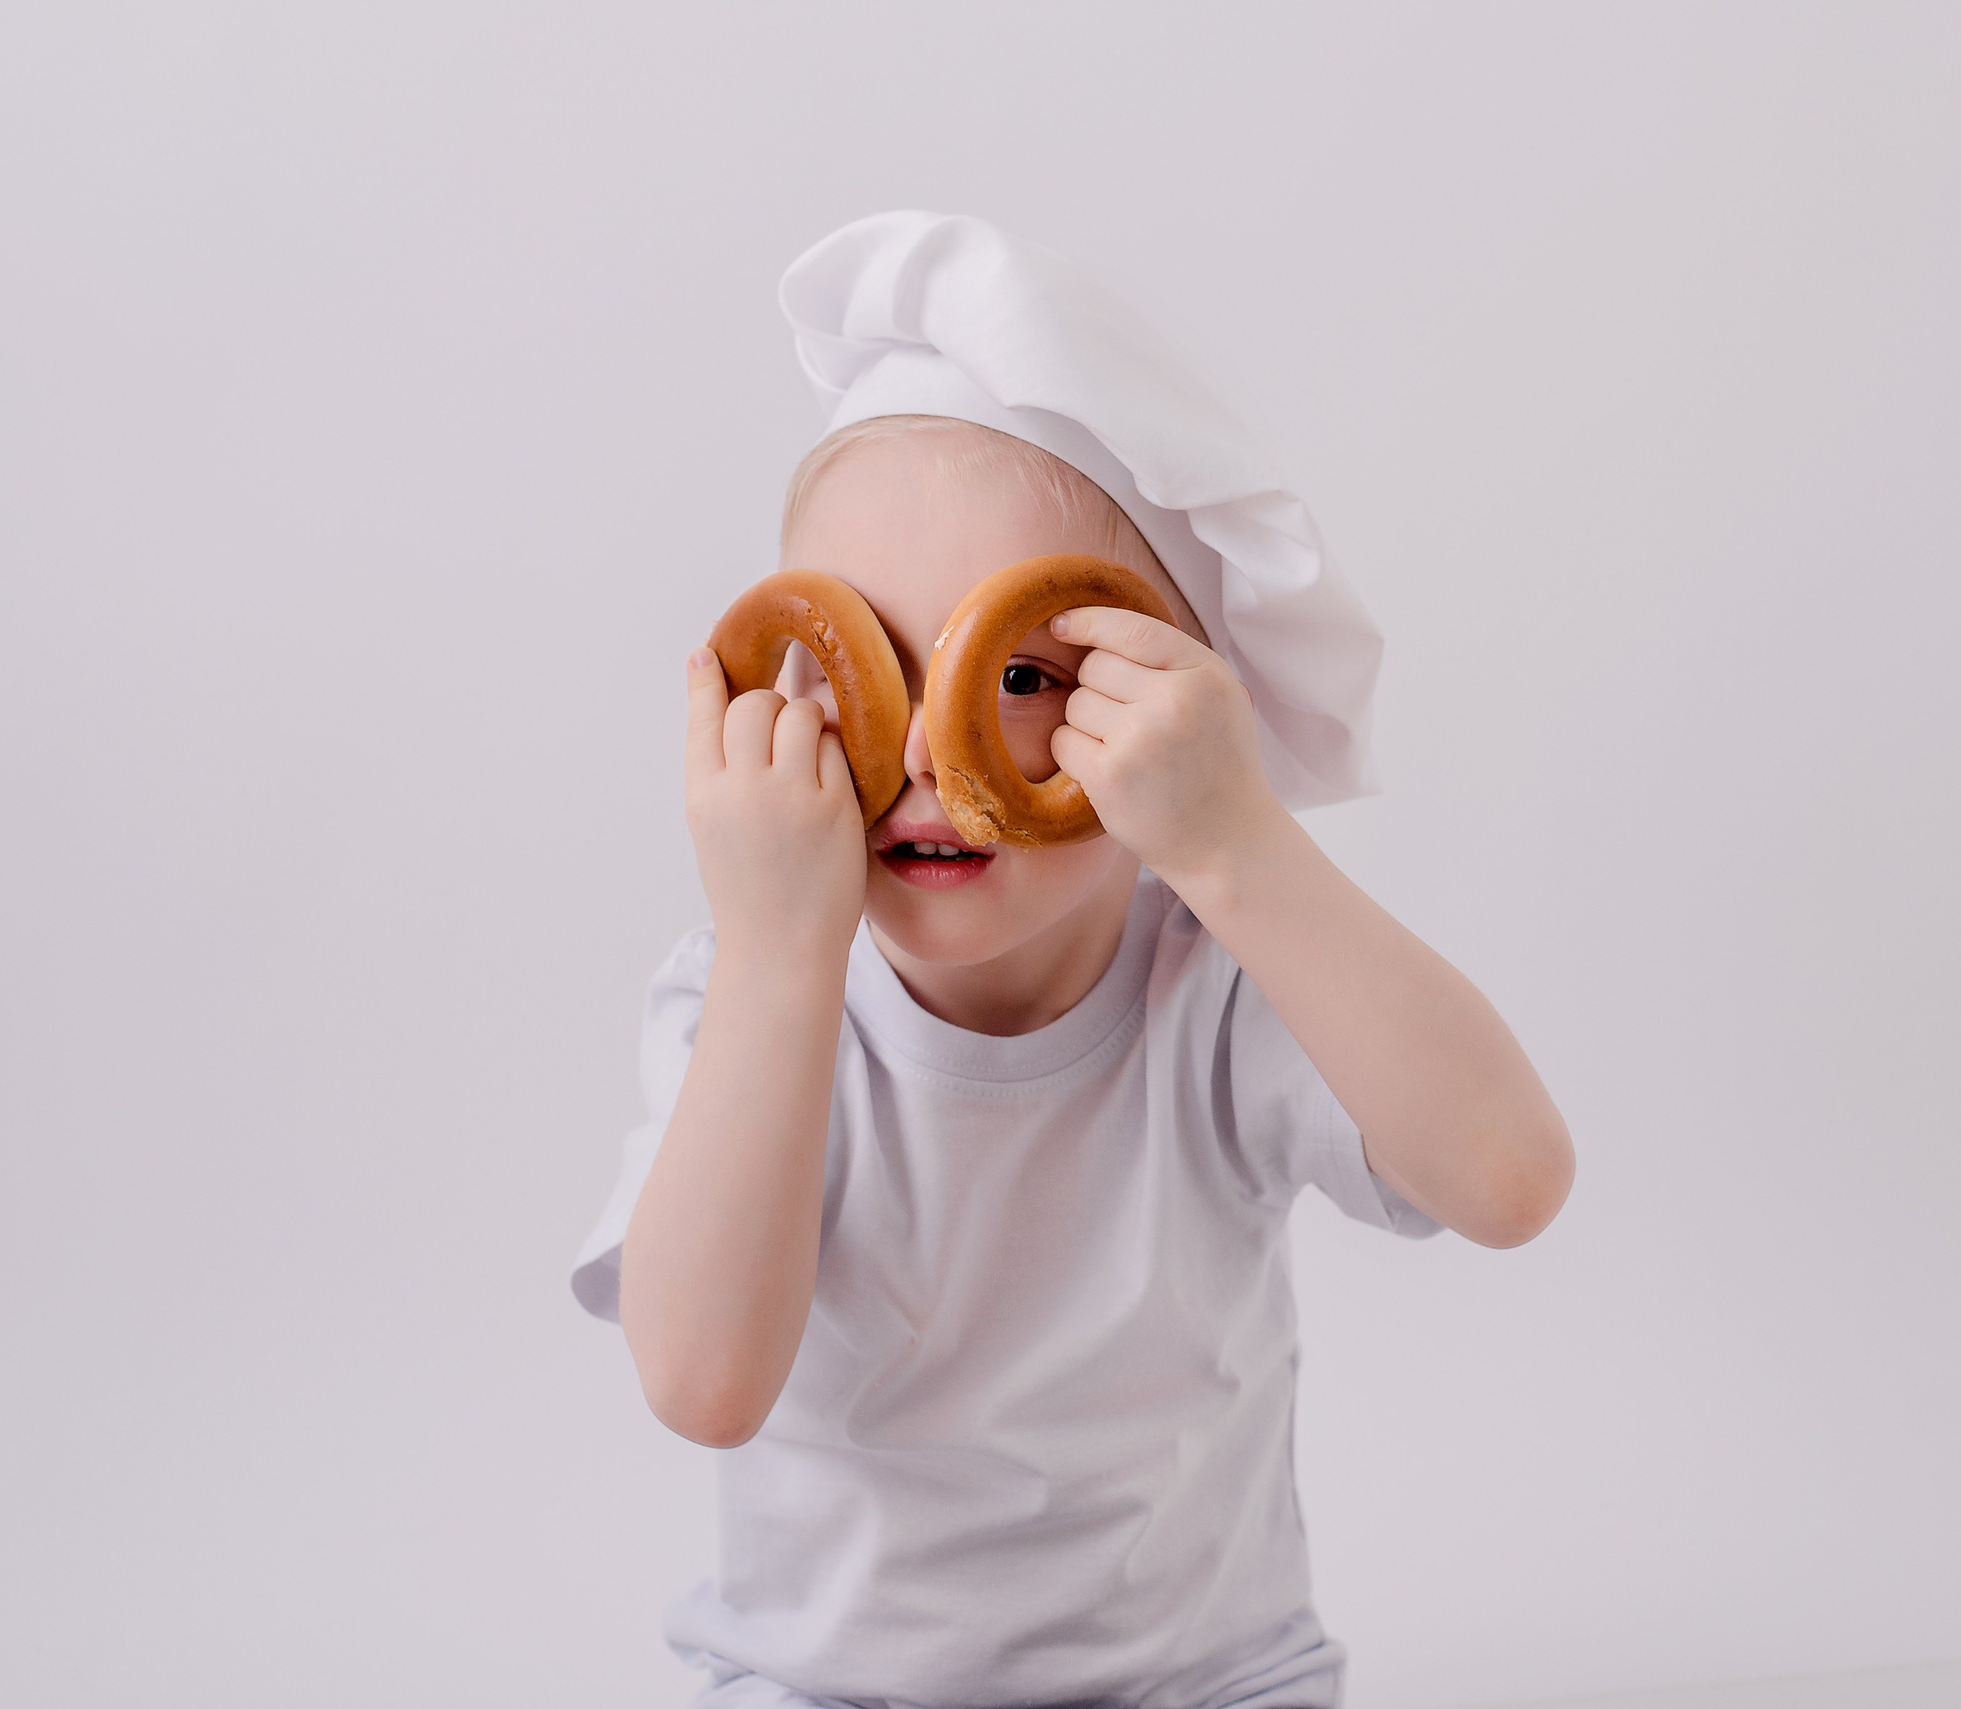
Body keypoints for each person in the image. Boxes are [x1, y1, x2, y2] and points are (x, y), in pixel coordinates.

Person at [572, 211, 1574, 1709]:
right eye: (855, 663)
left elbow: (1511, 1180)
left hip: (1206, 1681)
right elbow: (703, 1385)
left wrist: (1238, 847)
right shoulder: (742, 997)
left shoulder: (1221, 989)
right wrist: (779, 959)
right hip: (825, 1688)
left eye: (1022, 674)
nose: (923, 753)